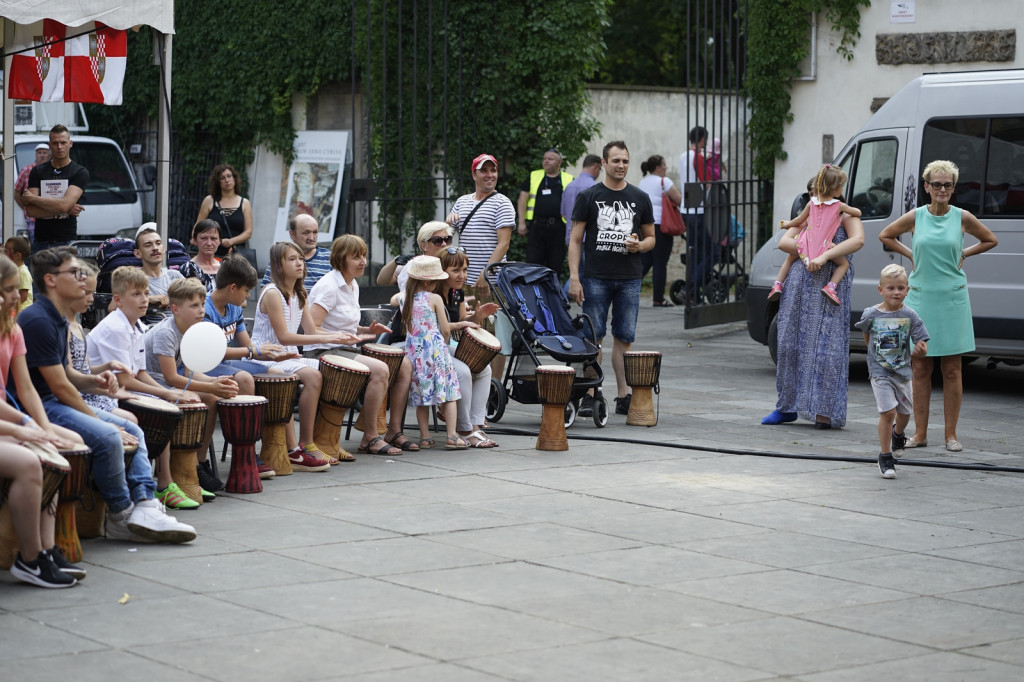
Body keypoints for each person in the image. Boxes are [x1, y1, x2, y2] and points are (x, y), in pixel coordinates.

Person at [17, 247, 196, 543]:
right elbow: (59, 387)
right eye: (74, 272)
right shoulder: (39, 320)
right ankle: (120, 514)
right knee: (111, 435)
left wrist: (95, 380)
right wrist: (101, 420)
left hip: (56, 400)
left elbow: (69, 374)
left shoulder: (58, 318)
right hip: (41, 405)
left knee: (134, 429)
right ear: (50, 280)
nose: (82, 279)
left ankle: (145, 504)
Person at [879, 160, 998, 452]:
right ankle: (919, 434)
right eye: (936, 184)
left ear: (953, 188)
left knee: (953, 369)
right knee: (920, 369)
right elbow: (885, 235)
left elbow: (990, 239)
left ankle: (951, 435)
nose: (942, 189)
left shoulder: (962, 217)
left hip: (952, 298)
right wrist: (911, 254)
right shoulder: (916, 216)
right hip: (921, 297)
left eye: (947, 185)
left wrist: (964, 253)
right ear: (927, 187)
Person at [88, 267, 206, 510]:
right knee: (164, 408)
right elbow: (124, 380)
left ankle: (185, 477)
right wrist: (166, 393)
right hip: (102, 395)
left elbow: (139, 372)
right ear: (118, 299)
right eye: (136, 294)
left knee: (173, 400)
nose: (144, 299)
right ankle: (163, 484)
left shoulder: (138, 326)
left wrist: (169, 393)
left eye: (146, 293)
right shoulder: (115, 328)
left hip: (121, 390)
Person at [0, 252, 84, 586]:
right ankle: (30, 559)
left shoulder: (12, 329)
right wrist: (24, 429)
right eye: (8, 289)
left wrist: (38, 427)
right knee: (29, 463)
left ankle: (47, 548)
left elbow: (25, 389)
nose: (17, 296)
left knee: (62, 445)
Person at [761, 191, 865, 430]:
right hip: (799, 283)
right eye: (812, 193)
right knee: (789, 344)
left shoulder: (844, 213)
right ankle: (786, 407)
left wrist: (825, 254)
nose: (816, 197)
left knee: (827, 349)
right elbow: (784, 242)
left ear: (835, 191)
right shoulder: (810, 214)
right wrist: (812, 247)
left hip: (830, 286)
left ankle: (823, 412)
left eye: (820, 191)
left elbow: (858, 240)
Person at [304, 235, 414, 456]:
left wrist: (366, 330)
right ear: (340, 259)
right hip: (323, 351)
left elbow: (343, 325)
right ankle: (370, 437)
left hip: (344, 348)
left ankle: (393, 430)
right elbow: (312, 328)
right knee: (381, 369)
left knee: (404, 365)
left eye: (364, 255)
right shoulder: (329, 286)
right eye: (356, 257)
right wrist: (340, 337)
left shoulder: (352, 283)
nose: (363, 261)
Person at [568, 140, 655, 416]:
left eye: (625, 161)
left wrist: (639, 246)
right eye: (616, 160)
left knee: (625, 338)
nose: (621, 165)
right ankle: (591, 394)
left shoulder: (640, 197)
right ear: (604, 163)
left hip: (629, 277)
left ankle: (623, 395)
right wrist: (574, 278)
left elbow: (651, 238)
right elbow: (575, 240)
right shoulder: (589, 196)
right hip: (596, 277)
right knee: (593, 338)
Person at [145, 277, 257, 482]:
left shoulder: (192, 330)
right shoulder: (166, 333)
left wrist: (215, 382)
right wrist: (210, 387)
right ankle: (187, 466)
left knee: (212, 398)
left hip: (167, 382)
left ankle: (200, 460)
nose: (201, 311)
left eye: (202, 305)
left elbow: (189, 372)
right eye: (194, 306)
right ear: (175, 309)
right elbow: (171, 377)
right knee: (203, 397)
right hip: (152, 384)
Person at [252, 241, 352, 467]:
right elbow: (284, 337)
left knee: (334, 371)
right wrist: (328, 338)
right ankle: (305, 444)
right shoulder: (272, 293)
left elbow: (312, 330)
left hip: (289, 356)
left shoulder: (299, 293)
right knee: (314, 376)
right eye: (292, 259)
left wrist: (342, 336)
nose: (299, 263)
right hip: (267, 357)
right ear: (278, 266)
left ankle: (324, 440)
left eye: (300, 258)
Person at [855, 265, 930, 479]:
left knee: (904, 413)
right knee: (887, 412)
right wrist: (873, 355)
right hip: (879, 371)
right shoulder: (871, 314)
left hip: (902, 372)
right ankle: (885, 456)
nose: (896, 292)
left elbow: (921, 339)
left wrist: (921, 349)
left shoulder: (909, 314)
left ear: (907, 290)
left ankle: (898, 434)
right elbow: (867, 335)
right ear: (881, 290)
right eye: (891, 288)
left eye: (900, 288)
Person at [769, 165, 863, 306]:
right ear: (834, 189)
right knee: (844, 264)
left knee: (789, 258)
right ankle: (831, 287)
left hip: (806, 243)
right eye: (842, 186)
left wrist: (788, 224)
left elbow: (798, 220)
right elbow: (858, 213)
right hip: (825, 246)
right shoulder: (839, 206)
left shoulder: (811, 205)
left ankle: (777, 284)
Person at [401, 256, 467, 449]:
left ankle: (425, 437)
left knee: (422, 397)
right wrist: (443, 346)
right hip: (436, 352)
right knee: (449, 394)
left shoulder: (405, 298)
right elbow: (445, 329)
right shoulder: (434, 298)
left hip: (415, 354)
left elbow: (397, 307)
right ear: (428, 281)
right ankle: (452, 436)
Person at [437, 246, 499, 448]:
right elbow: (436, 328)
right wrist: (461, 324)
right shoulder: (432, 293)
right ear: (442, 271)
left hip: (444, 345)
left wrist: (477, 316)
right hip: (429, 347)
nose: (462, 275)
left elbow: (463, 321)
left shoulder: (457, 293)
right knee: (463, 372)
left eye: (464, 270)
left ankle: (476, 424)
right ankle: (464, 429)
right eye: (455, 270)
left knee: (483, 368)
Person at [447, 154, 516, 297]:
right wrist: (447, 224)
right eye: (484, 170)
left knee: (488, 312)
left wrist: (486, 273)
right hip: (463, 280)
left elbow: (504, 244)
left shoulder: (502, 203)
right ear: (474, 175)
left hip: (491, 283)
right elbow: (445, 239)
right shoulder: (462, 201)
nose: (490, 175)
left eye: (493, 170)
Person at [22, 125, 88, 251]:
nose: (59, 147)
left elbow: (64, 205)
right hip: (40, 241)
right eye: (55, 143)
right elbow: (31, 211)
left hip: (66, 242)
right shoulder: (37, 171)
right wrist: (65, 210)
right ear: (50, 145)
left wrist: (33, 199)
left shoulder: (79, 172)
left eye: (63, 143)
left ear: (70, 144)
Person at [638, 154, 684, 307]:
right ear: (658, 168)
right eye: (664, 165)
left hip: (644, 225)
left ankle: (625, 289)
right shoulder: (664, 181)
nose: (666, 168)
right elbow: (679, 199)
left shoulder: (643, 182)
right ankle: (658, 299)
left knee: (645, 262)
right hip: (661, 226)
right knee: (660, 263)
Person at [518, 149, 573, 274]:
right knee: (533, 264)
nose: (546, 161)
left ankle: (552, 287)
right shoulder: (534, 176)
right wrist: (521, 222)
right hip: (537, 226)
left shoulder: (569, 179)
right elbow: (522, 199)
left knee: (556, 264)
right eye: (544, 159)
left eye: (550, 159)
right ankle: (534, 287)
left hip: (559, 228)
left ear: (559, 162)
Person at [679, 125, 712, 304]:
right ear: (702, 140)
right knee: (711, 253)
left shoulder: (683, 156)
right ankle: (689, 288)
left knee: (694, 253)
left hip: (686, 208)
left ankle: (693, 295)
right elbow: (706, 182)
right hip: (698, 210)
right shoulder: (697, 157)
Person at [378, 221, 456, 292]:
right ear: (424, 246)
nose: (444, 244)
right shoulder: (415, 264)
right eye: (437, 240)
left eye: (447, 239)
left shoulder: (455, 261)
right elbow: (382, 281)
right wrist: (395, 261)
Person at [194, 164, 253, 257]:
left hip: (235, 255)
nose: (227, 180)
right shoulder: (209, 200)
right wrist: (196, 239)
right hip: (211, 252)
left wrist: (231, 241)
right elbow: (198, 226)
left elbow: (248, 232)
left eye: (229, 176)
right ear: (218, 182)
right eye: (222, 178)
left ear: (234, 178)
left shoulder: (245, 203)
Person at [262, 214, 331, 291]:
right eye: (306, 233)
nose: (312, 238)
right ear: (292, 234)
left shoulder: (330, 258)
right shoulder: (280, 257)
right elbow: (265, 291)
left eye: (315, 232)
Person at [134, 224, 183, 310]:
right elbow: (113, 307)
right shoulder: (132, 278)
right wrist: (148, 299)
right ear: (138, 253)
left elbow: (196, 299)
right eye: (148, 245)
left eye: (158, 243)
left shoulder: (175, 276)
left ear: (163, 249)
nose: (155, 248)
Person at [12, 143, 51, 241]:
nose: (42, 155)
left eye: (44, 153)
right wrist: (25, 208)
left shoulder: (55, 171)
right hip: (33, 219)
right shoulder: (26, 170)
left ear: (50, 155)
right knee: (35, 244)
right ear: (35, 155)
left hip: (51, 217)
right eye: (39, 153)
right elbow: (17, 192)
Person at [178, 219, 222, 292]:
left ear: (219, 241)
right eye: (204, 238)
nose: (209, 243)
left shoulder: (225, 268)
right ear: (195, 240)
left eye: (213, 239)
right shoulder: (186, 269)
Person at [5, 236, 34, 312]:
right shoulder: (14, 270)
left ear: (18, 255)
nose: (4, 253)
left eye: (6, 251)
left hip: (22, 310)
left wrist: (11, 307)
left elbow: (23, 296)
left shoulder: (23, 272)